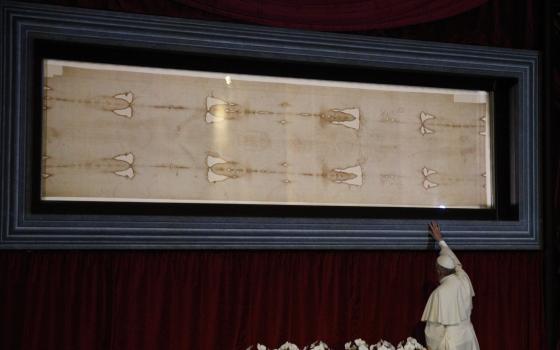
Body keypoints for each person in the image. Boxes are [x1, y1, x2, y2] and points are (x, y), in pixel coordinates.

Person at [421, 221, 480, 350]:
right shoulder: (464, 279)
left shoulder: (438, 293)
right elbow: (456, 263)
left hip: (451, 344)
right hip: (468, 340)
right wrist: (440, 241)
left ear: (438, 271)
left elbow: (433, 333)